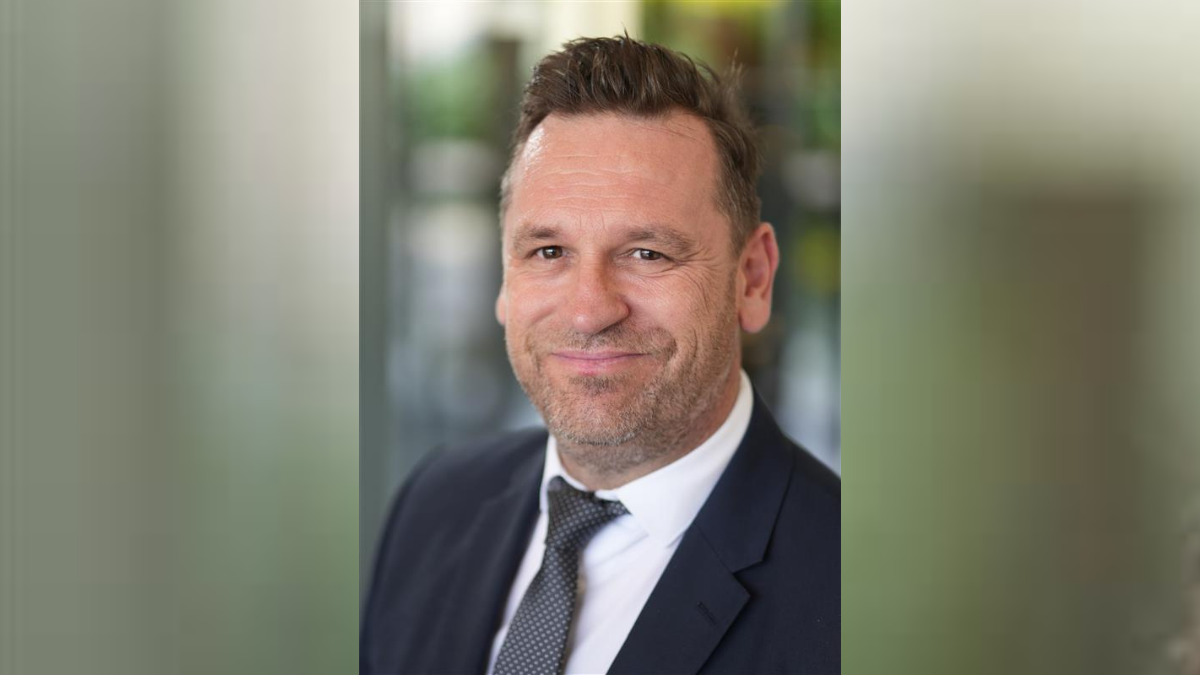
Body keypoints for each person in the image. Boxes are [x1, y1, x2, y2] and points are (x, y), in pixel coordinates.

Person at [361, 35, 839, 675]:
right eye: (548, 252)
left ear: (752, 279)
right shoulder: (434, 505)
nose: (589, 311)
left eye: (647, 253)